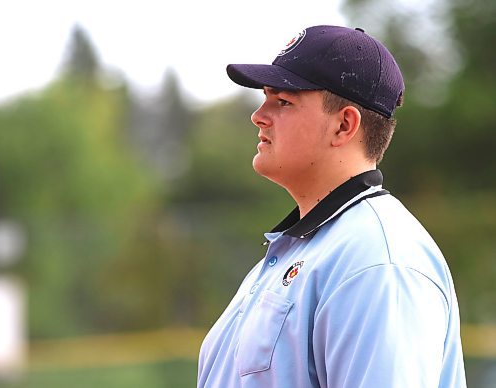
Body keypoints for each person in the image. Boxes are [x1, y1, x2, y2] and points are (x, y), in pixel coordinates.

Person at [197, 25, 466, 388]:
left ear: (344, 125)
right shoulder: (309, 247)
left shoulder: (377, 260)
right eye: (266, 97)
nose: (258, 115)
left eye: (283, 101)